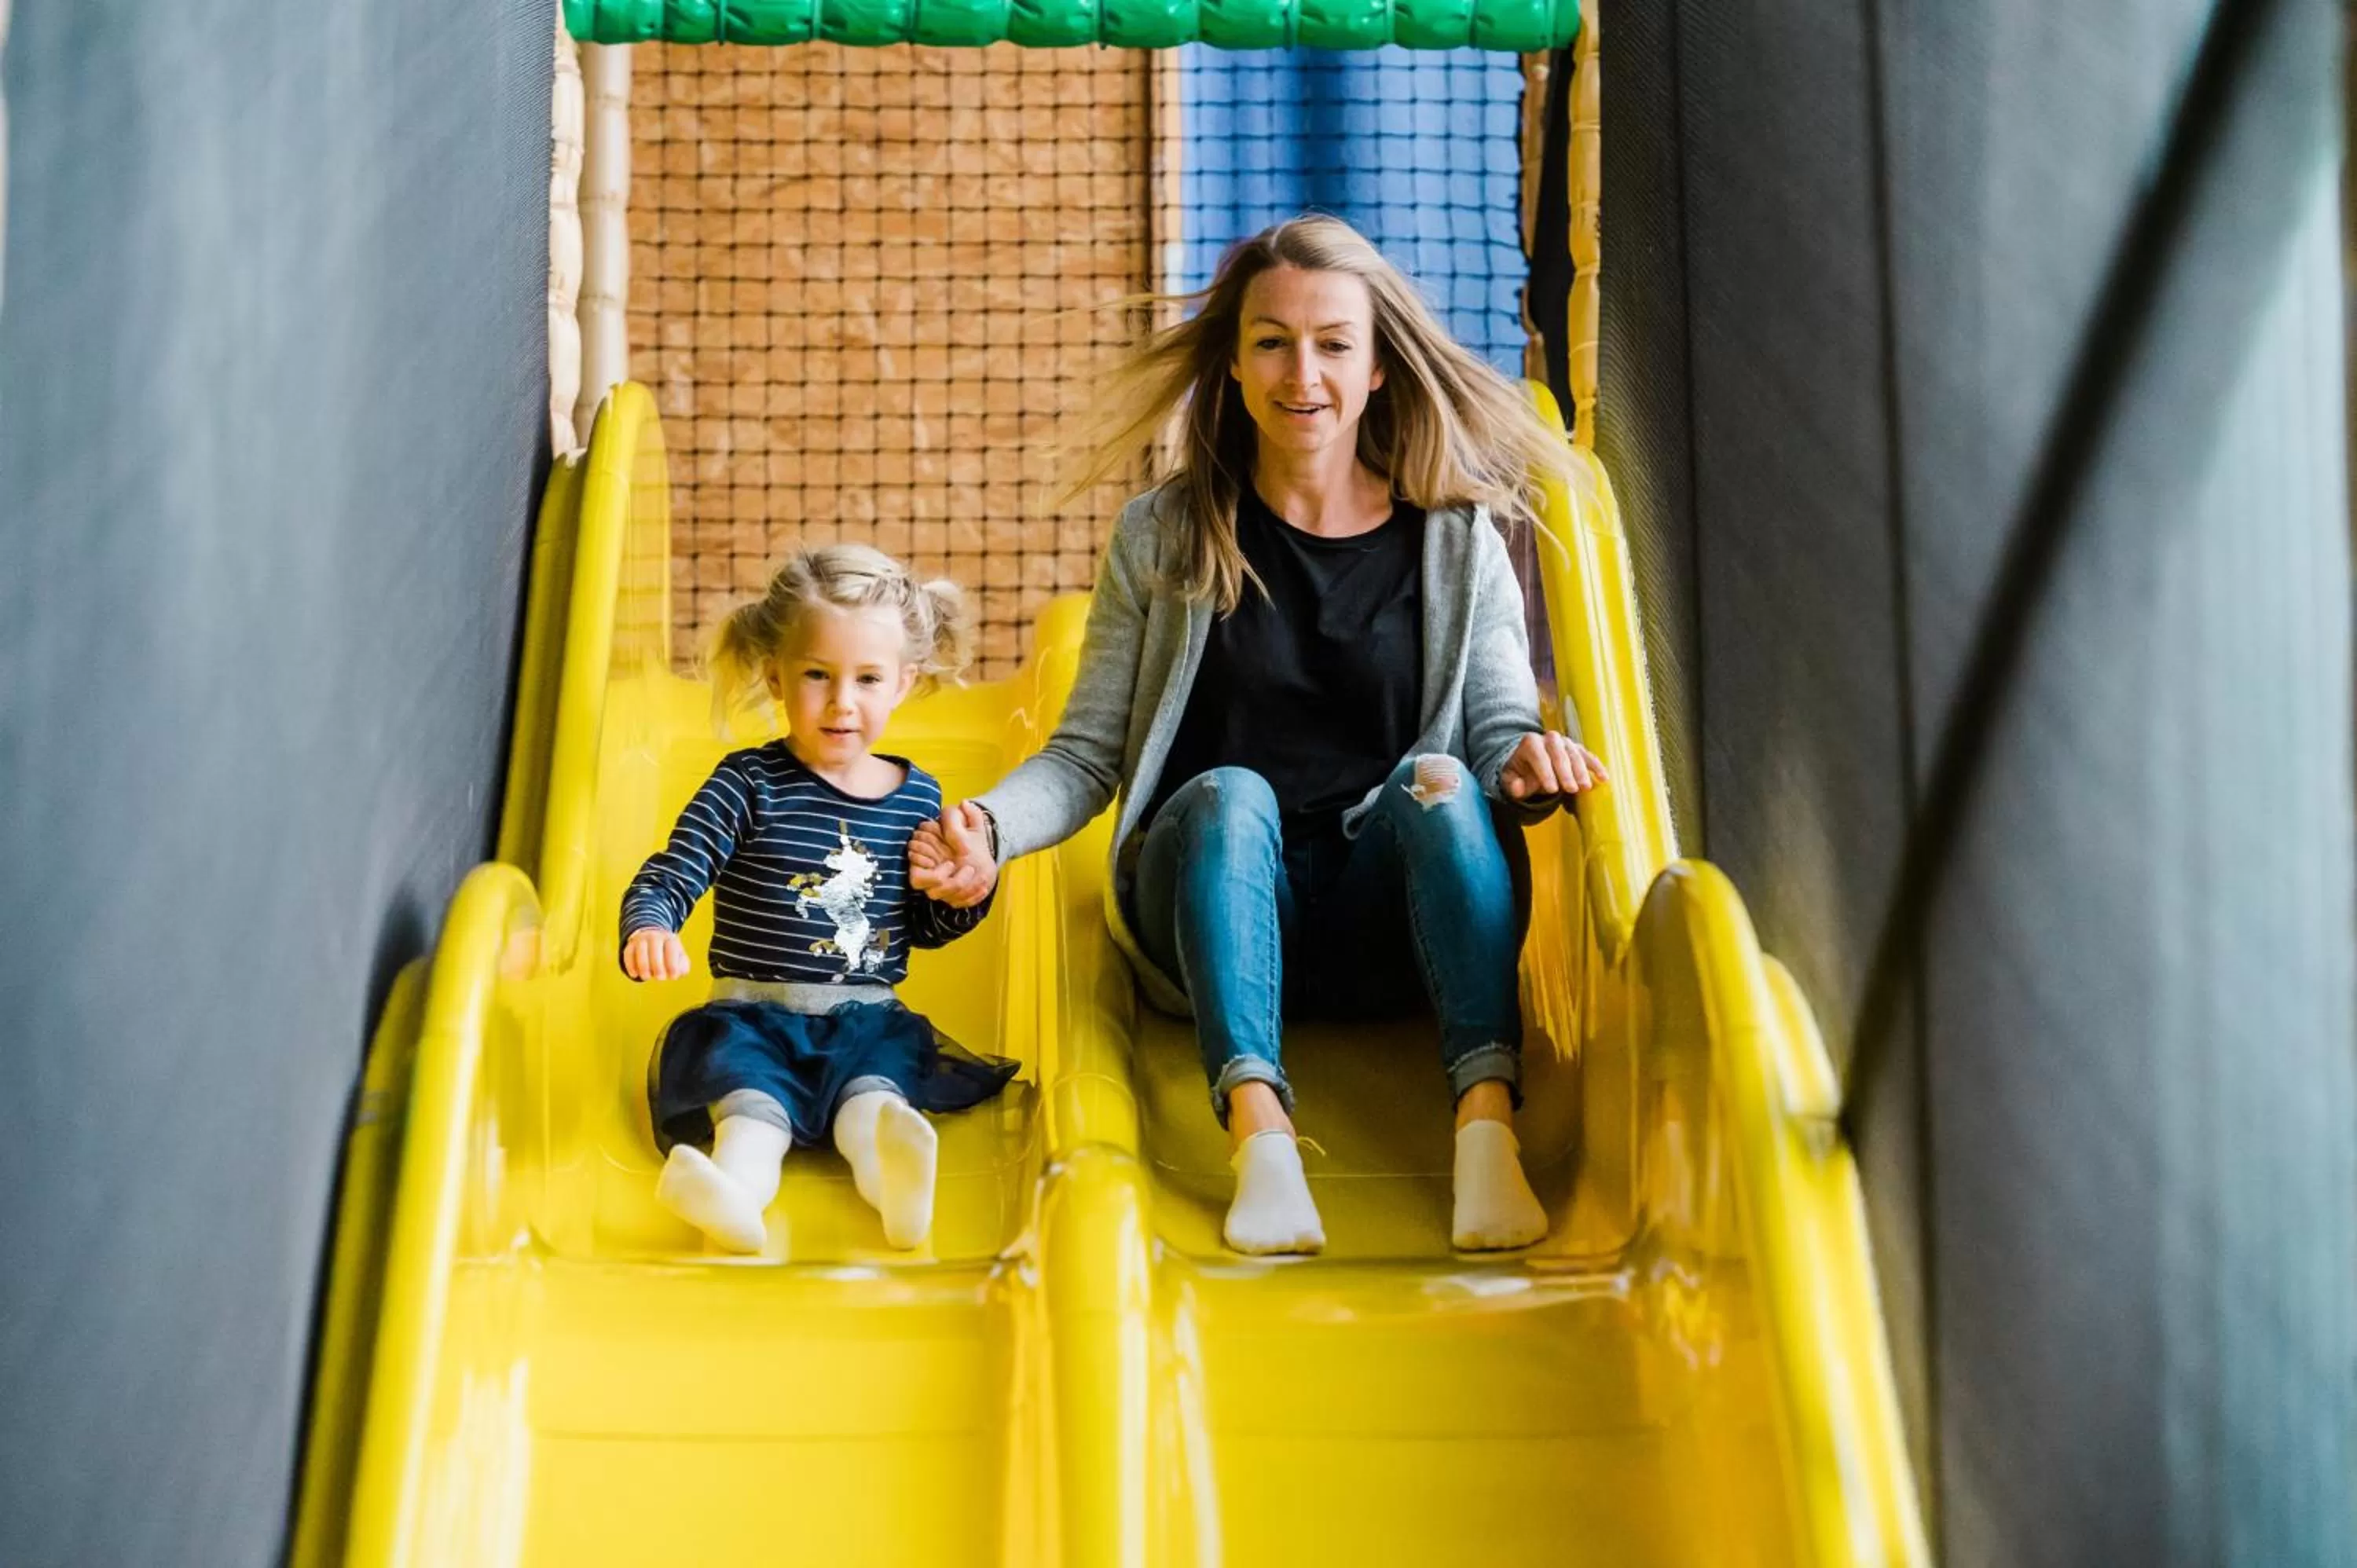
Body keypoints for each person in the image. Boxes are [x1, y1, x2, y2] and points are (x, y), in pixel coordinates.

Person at [911, 214, 1604, 1256]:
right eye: (1272, 340)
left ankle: (1486, 1130)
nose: (1303, 371)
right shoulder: (1167, 531)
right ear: (1233, 366)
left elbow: (1500, 724)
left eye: (1334, 343)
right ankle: (1261, 1137)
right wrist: (988, 830)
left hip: (1386, 921)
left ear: (1378, 369)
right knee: (1233, 793)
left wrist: (1526, 762)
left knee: (1439, 781)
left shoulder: (1457, 538)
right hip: (1209, 904)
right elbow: (1087, 754)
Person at [620, 544, 1017, 1254]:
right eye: (817, 676)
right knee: (751, 1119)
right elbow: (674, 870)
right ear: (776, 677)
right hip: (752, 1022)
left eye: (868, 679)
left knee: (872, 1106)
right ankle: (734, 1197)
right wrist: (650, 923)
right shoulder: (747, 782)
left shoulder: (918, 796)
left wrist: (960, 893)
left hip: (866, 1023)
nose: (843, 702)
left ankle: (895, 1187)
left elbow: (922, 928)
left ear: (903, 683)